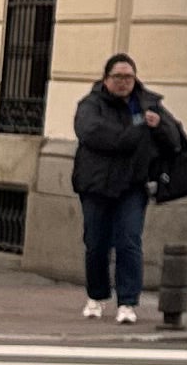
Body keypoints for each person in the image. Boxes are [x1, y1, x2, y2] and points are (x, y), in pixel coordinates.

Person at [69, 54, 165, 323]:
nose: (124, 82)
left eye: (129, 77)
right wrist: (136, 129)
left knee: (129, 241)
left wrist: (158, 126)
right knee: (96, 243)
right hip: (96, 184)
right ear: (106, 79)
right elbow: (94, 133)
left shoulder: (147, 104)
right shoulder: (90, 105)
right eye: (118, 77)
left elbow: (171, 137)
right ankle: (96, 296)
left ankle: (127, 302)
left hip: (132, 185)